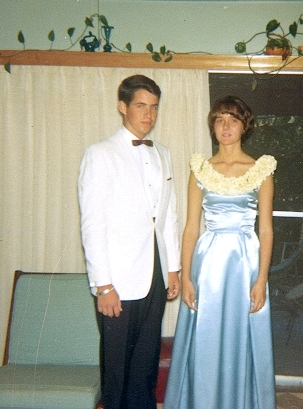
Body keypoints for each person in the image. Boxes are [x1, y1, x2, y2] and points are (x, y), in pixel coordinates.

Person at [164, 95, 277, 409]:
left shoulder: (261, 169)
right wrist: (186, 276)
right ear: (213, 126)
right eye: (220, 119)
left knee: (242, 336)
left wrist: (261, 280)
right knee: (206, 336)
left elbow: (266, 229)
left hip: (246, 264)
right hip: (209, 263)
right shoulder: (200, 168)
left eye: (233, 119)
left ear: (244, 126)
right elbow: (190, 227)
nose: (226, 126)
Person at [78, 74, 180, 409]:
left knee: (145, 366)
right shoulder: (100, 154)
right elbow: (93, 225)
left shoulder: (163, 153)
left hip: (155, 276)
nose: (148, 114)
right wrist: (103, 285)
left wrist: (174, 269)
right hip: (117, 282)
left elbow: (168, 217)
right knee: (117, 372)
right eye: (140, 106)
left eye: (153, 107)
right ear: (123, 107)